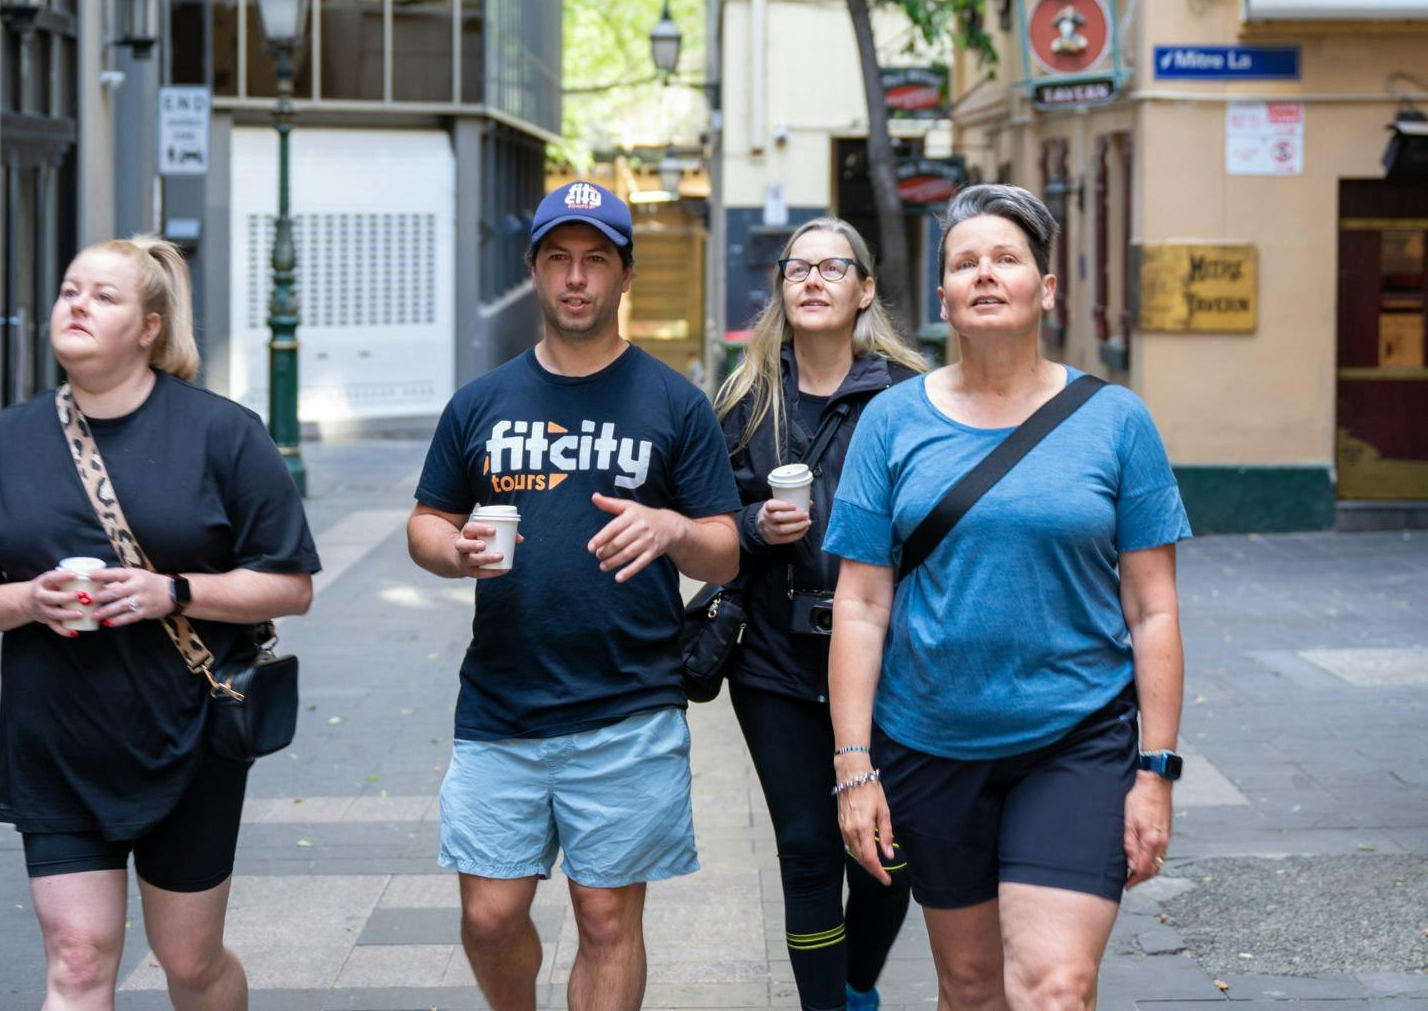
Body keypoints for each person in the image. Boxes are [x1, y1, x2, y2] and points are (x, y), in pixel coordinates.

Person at [0, 236, 320, 1011]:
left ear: (149, 327)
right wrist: (25, 601)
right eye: (70, 290)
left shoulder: (223, 434)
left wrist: (171, 591)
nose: (76, 304)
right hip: (57, 740)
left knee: (190, 962)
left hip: (188, 739)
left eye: (103, 296)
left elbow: (291, 585)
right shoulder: (5, 441)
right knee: (77, 962)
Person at [823, 184, 1190, 1011]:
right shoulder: (890, 422)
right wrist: (855, 768)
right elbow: (861, 606)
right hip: (929, 743)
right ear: (943, 296)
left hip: (1076, 738)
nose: (985, 275)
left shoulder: (1116, 421)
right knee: (973, 987)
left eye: (1007, 259)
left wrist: (1155, 770)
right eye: (965, 263)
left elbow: (1153, 608)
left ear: (1046, 288)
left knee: (1054, 986)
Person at [408, 180, 741, 1011]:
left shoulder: (675, 402)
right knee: (488, 917)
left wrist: (671, 529)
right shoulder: (481, 403)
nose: (576, 278)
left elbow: (728, 551)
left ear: (625, 276)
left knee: (604, 920)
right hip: (502, 703)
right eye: (558, 259)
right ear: (535, 271)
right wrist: (451, 551)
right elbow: (425, 520)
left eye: (596, 260)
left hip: (629, 703)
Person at [714, 218, 925, 1011]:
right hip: (775, 656)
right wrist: (752, 528)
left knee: (889, 855)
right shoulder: (743, 399)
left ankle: (858, 985)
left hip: (888, 657)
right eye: (796, 267)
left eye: (832, 267)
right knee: (807, 853)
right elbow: (705, 525)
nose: (811, 279)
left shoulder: (912, 400)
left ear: (863, 289)